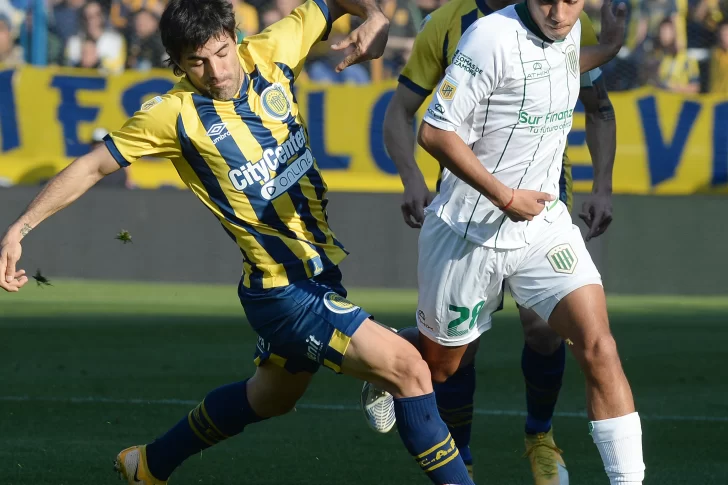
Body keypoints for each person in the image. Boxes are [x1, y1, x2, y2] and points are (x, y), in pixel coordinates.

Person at [0, 1, 477, 484]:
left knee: (270, 397)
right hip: (283, 291)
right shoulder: (173, 114)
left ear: (235, 36)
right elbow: (91, 166)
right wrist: (20, 228)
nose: (216, 71)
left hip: (317, 273)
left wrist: (374, 16)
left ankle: (148, 465)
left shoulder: (273, 50)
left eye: (222, 53)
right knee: (409, 371)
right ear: (177, 64)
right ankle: (390, 371)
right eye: (197, 62)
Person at [367, 0, 645, 483]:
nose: (558, 13)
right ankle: (385, 350)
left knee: (599, 346)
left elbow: (560, 63)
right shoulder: (486, 36)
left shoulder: (571, 29)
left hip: (542, 224)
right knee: (443, 366)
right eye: (548, 1)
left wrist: (609, 47)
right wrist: (505, 196)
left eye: (570, 1)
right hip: (468, 229)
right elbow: (433, 132)